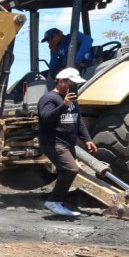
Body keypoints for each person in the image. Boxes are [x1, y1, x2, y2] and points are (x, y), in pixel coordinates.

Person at [37, 67, 98, 217]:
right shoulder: (48, 99)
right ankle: (53, 201)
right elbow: (45, 118)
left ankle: (59, 201)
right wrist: (63, 105)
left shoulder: (72, 100)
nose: (73, 87)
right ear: (61, 81)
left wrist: (87, 139)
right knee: (71, 170)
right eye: (71, 83)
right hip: (54, 142)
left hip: (68, 143)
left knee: (66, 171)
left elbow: (78, 121)